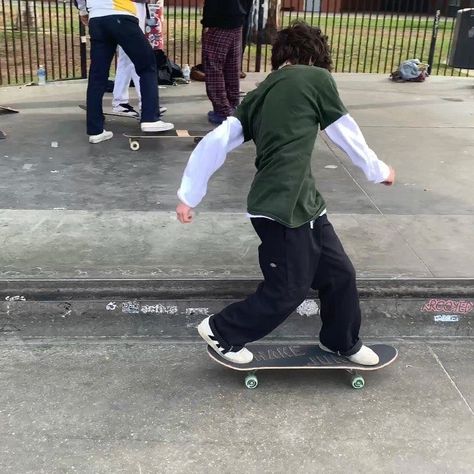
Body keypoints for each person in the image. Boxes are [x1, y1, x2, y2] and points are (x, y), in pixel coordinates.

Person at [176, 22, 395, 366]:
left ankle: (340, 341)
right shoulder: (315, 77)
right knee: (288, 289)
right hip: (280, 209)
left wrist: (190, 194)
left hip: (306, 207)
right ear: (312, 57)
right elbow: (344, 131)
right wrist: (378, 170)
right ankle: (222, 330)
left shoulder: (260, 92)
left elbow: (216, 141)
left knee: (339, 276)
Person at [77, 0, 173, 143]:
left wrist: (83, 11)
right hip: (121, 15)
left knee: (97, 76)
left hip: (96, 18)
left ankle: (95, 130)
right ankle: (150, 118)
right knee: (147, 65)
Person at [111, 1, 167, 118]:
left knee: (130, 58)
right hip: (129, 8)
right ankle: (140, 102)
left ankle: (125, 101)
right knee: (135, 57)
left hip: (134, 8)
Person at [201, 0, 246, 125]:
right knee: (232, 66)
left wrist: (208, 22)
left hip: (218, 20)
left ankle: (223, 110)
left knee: (214, 67)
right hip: (238, 18)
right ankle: (232, 105)